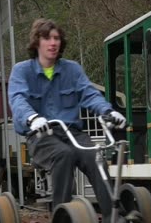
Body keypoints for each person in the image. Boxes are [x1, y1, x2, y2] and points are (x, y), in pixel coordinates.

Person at [8, 18, 126, 221]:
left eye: (56, 38)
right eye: (47, 38)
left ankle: (113, 215)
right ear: (37, 42)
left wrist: (108, 111)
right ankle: (62, 215)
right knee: (64, 155)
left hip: (72, 132)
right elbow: (18, 99)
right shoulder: (22, 71)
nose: (53, 43)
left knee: (94, 156)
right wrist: (32, 118)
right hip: (41, 135)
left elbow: (89, 94)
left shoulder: (72, 69)